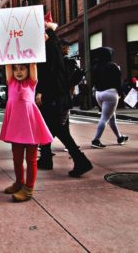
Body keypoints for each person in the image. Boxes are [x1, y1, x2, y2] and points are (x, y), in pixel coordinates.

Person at [36, 13, 93, 177]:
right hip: (58, 98)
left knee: (58, 130)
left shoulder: (50, 50)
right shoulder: (52, 48)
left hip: (54, 98)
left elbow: (51, 76)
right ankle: (46, 158)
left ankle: (81, 161)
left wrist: (42, 94)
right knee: (50, 127)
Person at [1, 63, 53, 202]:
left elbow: (33, 64)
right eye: (15, 68)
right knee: (17, 159)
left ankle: (29, 188)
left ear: (28, 70)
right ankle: (19, 183)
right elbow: (7, 63)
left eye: (22, 68)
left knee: (31, 160)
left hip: (31, 127)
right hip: (15, 128)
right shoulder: (11, 82)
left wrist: (37, 43)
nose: (18, 71)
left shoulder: (31, 83)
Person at [90, 47, 128, 148]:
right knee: (105, 118)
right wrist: (120, 93)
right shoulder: (113, 66)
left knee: (111, 117)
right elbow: (118, 82)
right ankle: (96, 140)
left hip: (98, 93)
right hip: (110, 93)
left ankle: (119, 137)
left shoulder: (95, 66)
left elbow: (92, 81)